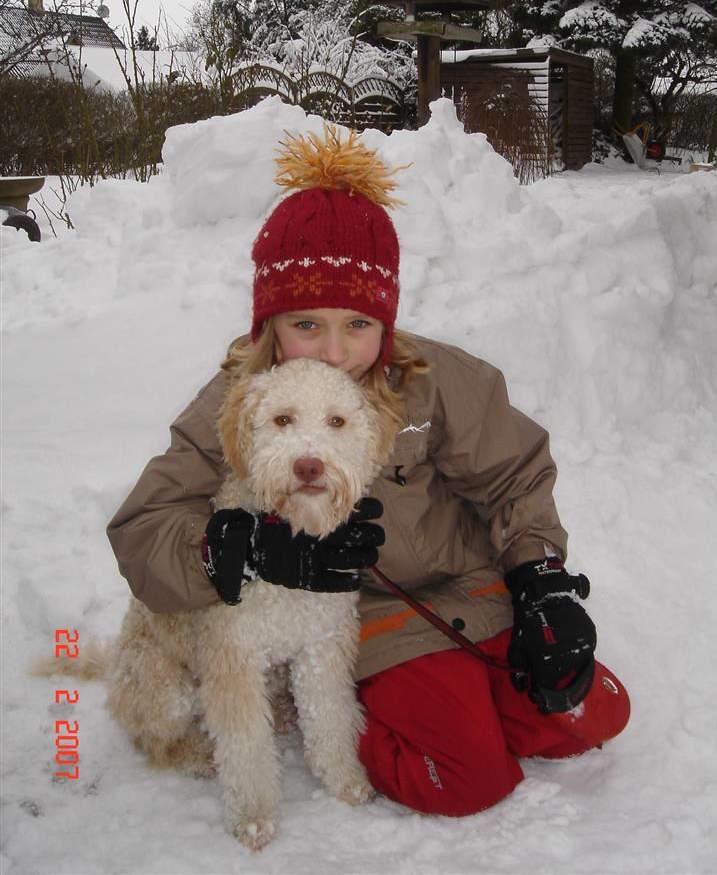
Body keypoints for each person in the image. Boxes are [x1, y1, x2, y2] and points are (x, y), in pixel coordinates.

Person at [107, 124, 630, 818]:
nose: (332, 351)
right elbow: (145, 527)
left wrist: (540, 584)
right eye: (305, 324)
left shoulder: (434, 380)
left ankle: (473, 701)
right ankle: (375, 718)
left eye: (357, 324)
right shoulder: (240, 398)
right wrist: (234, 550)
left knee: (595, 713)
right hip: (374, 621)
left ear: (385, 320)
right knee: (473, 781)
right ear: (270, 324)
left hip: (474, 595)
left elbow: (516, 475)